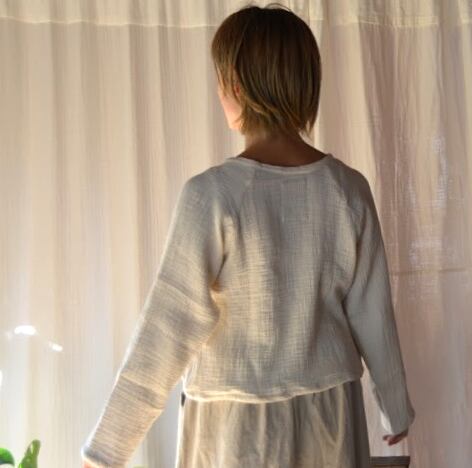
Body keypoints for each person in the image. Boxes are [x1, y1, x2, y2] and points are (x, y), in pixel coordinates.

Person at [81, 3, 415, 467]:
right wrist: (395, 406)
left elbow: (169, 321)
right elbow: (372, 309)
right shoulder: (347, 189)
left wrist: (106, 449)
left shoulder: (213, 194)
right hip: (330, 412)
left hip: (234, 419)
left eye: (219, 82)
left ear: (235, 85)